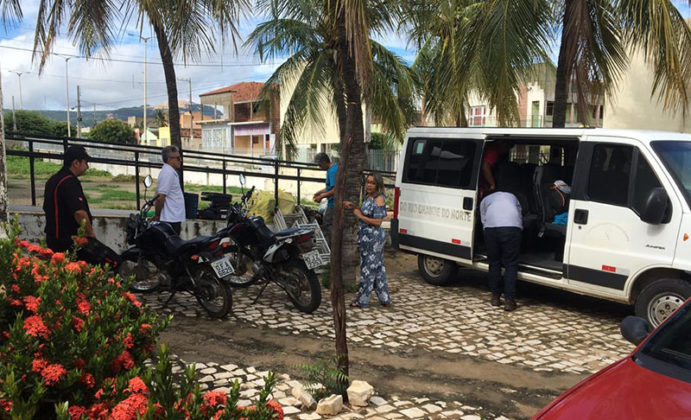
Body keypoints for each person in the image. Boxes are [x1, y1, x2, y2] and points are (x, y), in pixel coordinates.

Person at [345, 173, 391, 308]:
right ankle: (384, 298)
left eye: (372, 183)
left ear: (378, 185)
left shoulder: (379, 199)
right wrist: (354, 207)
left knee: (367, 270)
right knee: (378, 269)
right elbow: (365, 212)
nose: (369, 185)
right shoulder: (368, 197)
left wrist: (359, 216)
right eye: (368, 182)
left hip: (374, 239)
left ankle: (362, 300)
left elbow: (378, 222)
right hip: (366, 238)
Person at [43, 145, 96, 252]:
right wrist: (91, 235)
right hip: (68, 241)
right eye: (85, 163)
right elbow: (79, 212)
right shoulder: (69, 182)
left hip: (53, 238)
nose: (87, 167)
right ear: (76, 163)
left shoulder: (54, 179)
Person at [480, 190, 523, 312]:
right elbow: (519, 214)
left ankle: (495, 297)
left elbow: (483, 219)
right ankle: (509, 301)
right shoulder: (513, 197)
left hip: (491, 229)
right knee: (511, 264)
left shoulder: (485, 200)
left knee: (494, 262)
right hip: (512, 228)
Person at [153, 145, 185, 235]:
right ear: (169, 159)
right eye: (178, 158)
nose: (180, 160)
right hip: (169, 219)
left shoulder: (170, 172)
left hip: (173, 217)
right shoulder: (168, 173)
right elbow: (160, 197)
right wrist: (157, 215)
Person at [312, 152, 338, 245]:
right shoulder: (332, 169)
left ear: (324, 162)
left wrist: (321, 196)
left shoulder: (332, 171)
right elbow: (329, 187)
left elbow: (335, 190)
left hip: (333, 203)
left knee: (327, 224)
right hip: (332, 202)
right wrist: (319, 193)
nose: (320, 167)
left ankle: (330, 246)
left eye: (320, 165)